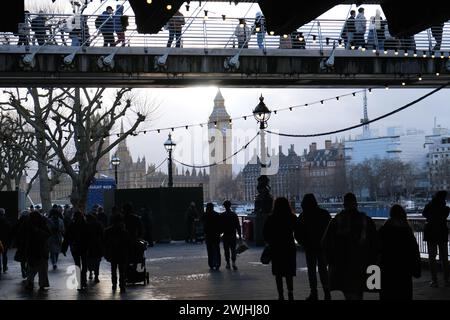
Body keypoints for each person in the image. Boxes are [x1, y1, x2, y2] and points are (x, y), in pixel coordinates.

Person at [322, 193, 378, 300]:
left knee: (348, 291)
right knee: (359, 290)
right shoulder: (366, 220)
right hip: (362, 263)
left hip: (342, 265)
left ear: (344, 205)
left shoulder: (336, 221)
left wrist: (330, 260)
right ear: (356, 204)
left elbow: (325, 242)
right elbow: (375, 243)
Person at [378, 205, 421, 300]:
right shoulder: (407, 231)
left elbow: (377, 250)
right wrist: (416, 270)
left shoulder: (384, 230)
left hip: (387, 271)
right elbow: (414, 251)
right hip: (404, 271)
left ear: (390, 215)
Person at [295, 194, 331, 300]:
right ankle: (327, 292)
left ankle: (314, 293)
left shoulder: (303, 216)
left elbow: (297, 233)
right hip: (322, 246)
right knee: (323, 269)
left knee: (311, 270)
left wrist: (303, 243)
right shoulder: (324, 214)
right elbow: (330, 230)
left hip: (309, 247)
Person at [263, 197, 297, 300]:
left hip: (276, 247)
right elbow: (298, 230)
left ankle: (281, 294)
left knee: (278, 273)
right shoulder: (292, 217)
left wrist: (270, 242)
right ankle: (290, 293)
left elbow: (265, 233)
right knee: (289, 272)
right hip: (289, 247)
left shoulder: (271, 218)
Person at [422, 190, 450, 287]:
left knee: (432, 258)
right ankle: (446, 279)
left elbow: (424, 214)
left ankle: (434, 280)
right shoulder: (446, 209)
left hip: (430, 233)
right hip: (442, 233)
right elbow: (444, 216)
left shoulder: (429, 206)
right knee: (444, 258)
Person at [104, 213, 132, 293]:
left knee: (113, 269)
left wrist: (106, 253)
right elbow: (128, 244)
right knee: (122, 270)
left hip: (113, 253)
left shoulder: (108, 231)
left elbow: (105, 243)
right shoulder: (124, 232)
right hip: (122, 254)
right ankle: (122, 285)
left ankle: (114, 284)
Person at [62, 210, 89, 290]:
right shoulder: (85, 225)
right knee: (84, 265)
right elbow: (90, 237)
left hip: (75, 248)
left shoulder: (71, 225)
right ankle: (83, 280)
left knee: (77, 265)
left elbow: (67, 238)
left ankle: (79, 282)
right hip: (84, 247)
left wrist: (64, 248)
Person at [25, 211, 50, 291]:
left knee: (32, 268)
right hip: (41, 249)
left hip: (32, 250)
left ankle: (30, 282)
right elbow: (48, 234)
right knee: (41, 269)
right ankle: (41, 284)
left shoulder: (28, 225)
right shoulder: (42, 225)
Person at [220, 200, 242, 270]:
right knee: (233, 249)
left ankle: (228, 263)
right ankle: (234, 263)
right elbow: (238, 226)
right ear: (230, 206)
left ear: (224, 206)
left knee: (226, 250)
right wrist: (240, 235)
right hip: (233, 235)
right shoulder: (234, 215)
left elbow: (220, 226)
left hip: (225, 235)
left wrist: (219, 234)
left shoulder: (222, 215)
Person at [203, 203, 222, 270]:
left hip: (208, 235)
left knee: (210, 250)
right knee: (217, 249)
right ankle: (217, 263)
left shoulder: (205, 215)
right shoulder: (217, 214)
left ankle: (211, 264)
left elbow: (200, 220)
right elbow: (220, 225)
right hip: (216, 235)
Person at [86, 213, 104, 283]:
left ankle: (90, 273)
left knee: (89, 261)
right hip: (97, 245)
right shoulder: (99, 224)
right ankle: (96, 276)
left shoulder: (86, 225)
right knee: (97, 262)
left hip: (89, 246)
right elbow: (102, 235)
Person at [13, 210, 30, 278]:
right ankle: (27, 270)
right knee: (28, 257)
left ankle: (23, 270)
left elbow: (14, 230)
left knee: (22, 259)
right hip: (28, 243)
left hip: (21, 243)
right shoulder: (30, 222)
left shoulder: (19, 222)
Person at [0, 208, 11, 274]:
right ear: (3, 213)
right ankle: (4, 267)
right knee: (4, 254)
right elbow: (9, 231)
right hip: (5, 240)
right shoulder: (6, 220)